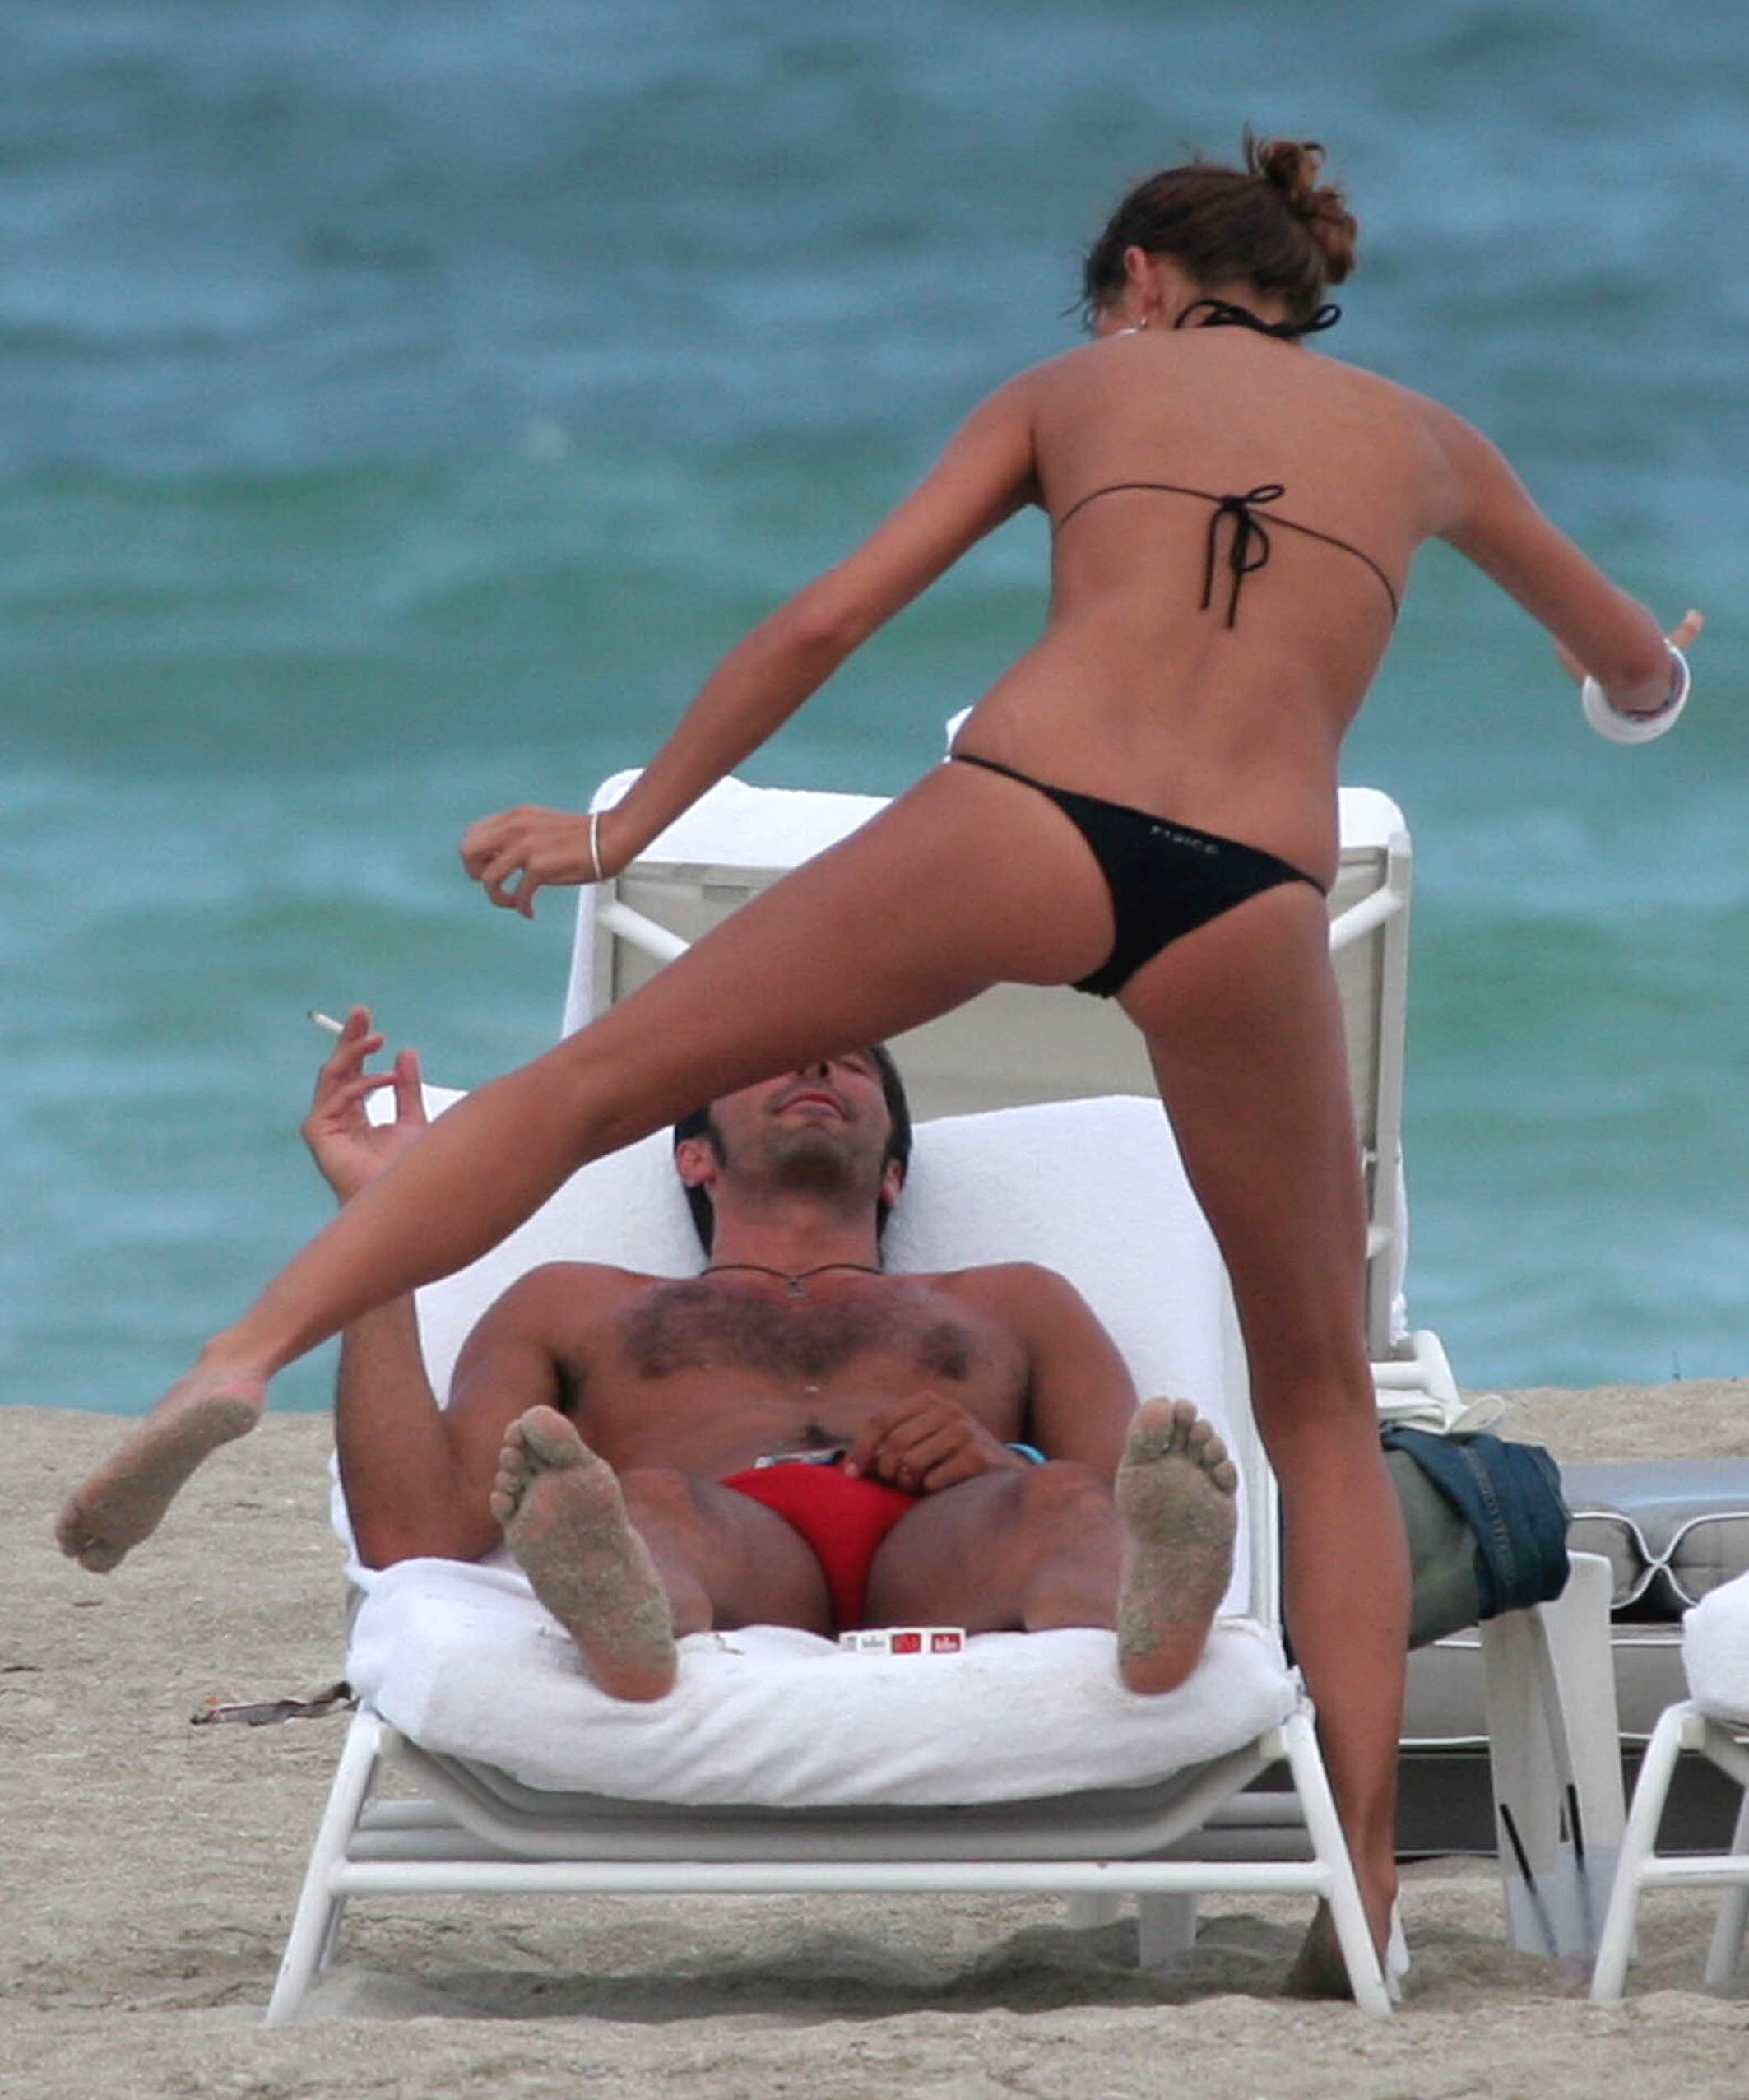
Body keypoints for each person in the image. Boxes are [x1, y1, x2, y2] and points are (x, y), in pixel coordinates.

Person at [59, 133, 1703, 1981]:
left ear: (1140, 285)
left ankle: (236, 1357)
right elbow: (1636, 680)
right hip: (1254, 887)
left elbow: (827, 618)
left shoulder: (1073, 387)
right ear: (1293, 298)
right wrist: (1637, 677)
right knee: (1318, 1408)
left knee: (583, 1092)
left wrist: (619, 833)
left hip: (1035, 808)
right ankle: (1367, 1905)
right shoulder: (1432, 444)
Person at [300, 1011, 1238, 1704]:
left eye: (854, 1064)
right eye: (768, 1057)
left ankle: (1147, 1634)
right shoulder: (574, 1301)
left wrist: (1004, 1463)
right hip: (723, 1539)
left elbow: (1129, 1494)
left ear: (893, 1174)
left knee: (1065, 1503)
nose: (818, 1062)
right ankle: (633, 1627)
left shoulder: (1014, 1299)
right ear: (694, 1159)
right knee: (643, 1506)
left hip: (947, 1542)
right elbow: (411, 1533)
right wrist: (379, 1217)